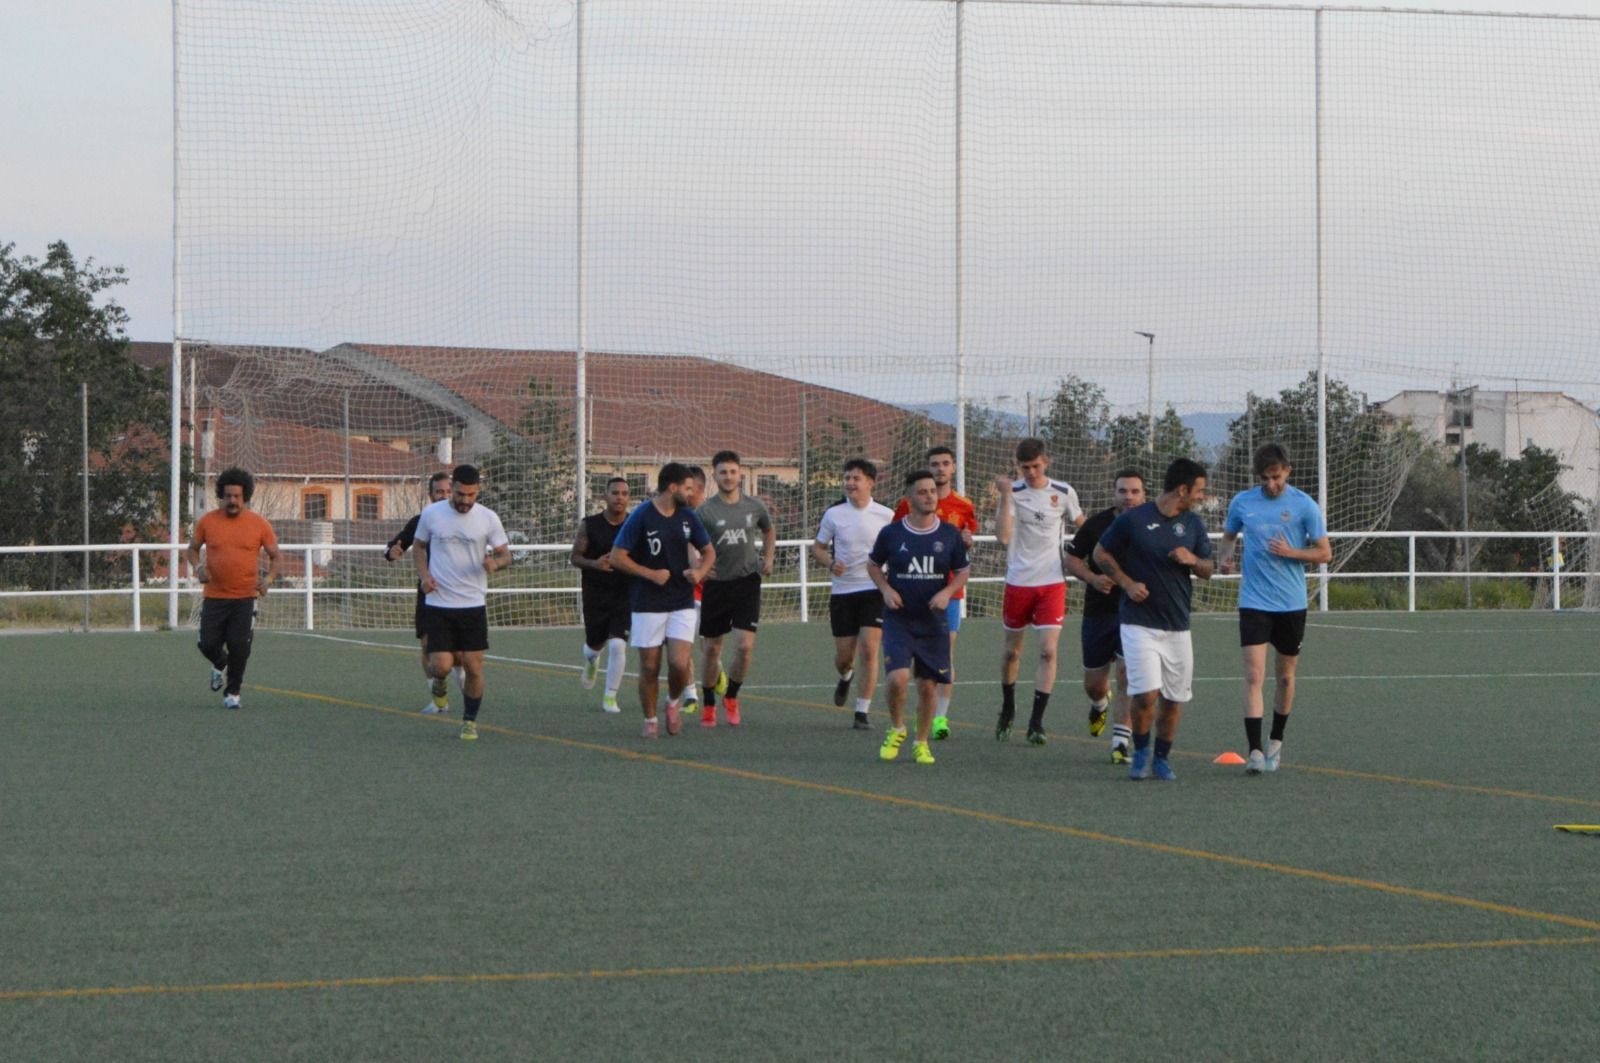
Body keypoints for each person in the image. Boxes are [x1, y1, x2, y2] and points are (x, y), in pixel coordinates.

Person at [1093, 458, 1214, 781]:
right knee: (1145, 695)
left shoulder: (1193, 524)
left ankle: (1162, 758)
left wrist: (1192, 560)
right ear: (1182, 489)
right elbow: (1100, 555)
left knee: (1174, 700)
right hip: (1138, 623)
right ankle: (1141, 753)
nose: (1201, 497)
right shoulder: (1134, 519)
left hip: (1177, 626)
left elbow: (1208, 569)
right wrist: (1126, 583)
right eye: (1199, 491)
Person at [1217, 443, 1332, 775]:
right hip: (1254, 602)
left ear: (1288, 472)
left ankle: (1276, 742)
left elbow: (1325, 553)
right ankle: (1253, 751)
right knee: (1254, 676)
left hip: (1291, 604)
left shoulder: (1304, 505)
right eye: (1266, 479)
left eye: (1277, 477)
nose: (1271, 485)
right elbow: (1228, 536)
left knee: (1285, 677)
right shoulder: (1243, 502)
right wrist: (1225, 557)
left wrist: (1291, 552)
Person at [868, 470, 971, 765]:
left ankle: (921, 742)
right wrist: (885, 589)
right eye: (922, 491)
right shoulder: (892, 533)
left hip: (933, 621)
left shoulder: (949, 534)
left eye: (932, 491)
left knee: (927, 686)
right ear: (909, 498)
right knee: (898, 679)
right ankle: (897, 727)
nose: (929, 495)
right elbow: (873, 565)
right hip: (899, 619)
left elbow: (963, 571)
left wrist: (948, 591)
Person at [609, 462, 715, 738]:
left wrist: (700, 572)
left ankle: (672, 702)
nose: (692, 494)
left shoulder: (688, 517)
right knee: (650, 666)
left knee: (680, 664)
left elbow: (709, 551)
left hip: (681, 600)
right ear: (672, 487)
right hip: (647, 603)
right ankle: (650, 719)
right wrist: (650, 574)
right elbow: (616, 557)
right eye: (688, 488)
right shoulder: (642, 516)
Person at [993, 438, 1083, 745]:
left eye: (1036, 465)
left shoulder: (1063, 492)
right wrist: (1006, 496)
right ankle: (1007, 707)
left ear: (1047, 462)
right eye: (1025, 467)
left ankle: (1036, 721)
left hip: (1052, 582)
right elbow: (1004, 537)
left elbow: (1082, 524)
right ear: (1017, 465)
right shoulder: (1013, 493)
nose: (1031, 472)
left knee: (1048, 651)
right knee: (1011, 651)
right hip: (1018, 581)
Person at [413, 464, 513, 741]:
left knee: (473, 665)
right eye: (460, 494)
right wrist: (424, 576)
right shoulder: (432, 514)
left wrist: (496, 562)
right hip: (439, 603)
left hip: (472, 603)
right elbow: (419, 547)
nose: (465, 501)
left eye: (471, 495)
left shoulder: (488, 518)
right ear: (452, 489)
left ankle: (469, 721)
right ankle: (440, 684)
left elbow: (506, 555)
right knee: (440, 666)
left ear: (477, 492)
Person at [891, 445, 978, 740]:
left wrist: (968, 541)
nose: (940, 469)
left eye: (945, 464)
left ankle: (939, 717)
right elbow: (896, 538)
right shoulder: (909, 504)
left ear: (953, 467)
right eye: (934, 464)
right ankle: (915, 715)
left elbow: (966, 543)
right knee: (911, 660)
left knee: (945, 653)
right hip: (912, 594)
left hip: (948, 592)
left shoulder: (964, 505)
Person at [1064, 468, 1146, 764]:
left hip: (1136, 614)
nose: (1129, 497)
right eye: (1123, 491)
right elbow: (1071, 558)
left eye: (1135, 491)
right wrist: (1091, 578)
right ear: (1114, 494)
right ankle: (1099, 704)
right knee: (1095, 684)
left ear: (1144, 494)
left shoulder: (1151, 524)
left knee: (1127, 676)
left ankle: (1120, 743)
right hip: (1099, 613)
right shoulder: (1097, 525)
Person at [187, 467, 280, 710]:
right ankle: (219, 662)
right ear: (221, 496)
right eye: (228, 496)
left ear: (245, 496)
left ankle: (233, 693)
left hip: (245, 597)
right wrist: (198, 569)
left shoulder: (259, 524)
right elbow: (192, 549)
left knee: (240, 646)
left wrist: (268, 580)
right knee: (207, 644)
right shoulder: (207, 522)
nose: (232, 501)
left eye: (237, 496)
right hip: (214, 596)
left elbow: (276, 557)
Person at [812, 459, 895, 729]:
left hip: (873, 589)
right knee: (844, 657)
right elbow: (819, 548)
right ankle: (846, 676)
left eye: (856, 478)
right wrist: (830, 563)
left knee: (870, 650)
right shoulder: (834, 514)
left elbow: (897, 549)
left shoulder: (886, 515)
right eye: (847, 477)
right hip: (843, 592)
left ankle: (861, 713)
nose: (850, 482)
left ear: (870, 482)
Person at [696, 450, 775, 728]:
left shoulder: (754, 507)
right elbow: (689, 540)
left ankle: (731, 696)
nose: (728, 477)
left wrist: (768, 557)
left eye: (732, 472)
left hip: (747, 582)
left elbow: (768, 529)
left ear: (740, 474)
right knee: (711, 649)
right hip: (717, 585)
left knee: (744, 647)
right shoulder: (705, 511)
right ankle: (708, 703)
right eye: (722, 472)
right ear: (714, 476)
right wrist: (698, 567)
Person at [385, 471, 454, 714]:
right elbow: (398, 543)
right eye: (439, 492)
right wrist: (392, 552)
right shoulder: (422, 520)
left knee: (461, 654)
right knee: (427, 645)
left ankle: (467, 690)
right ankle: (437, 700)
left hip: (460, 593)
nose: (444, 496)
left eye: (448, 491)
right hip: (428, 591)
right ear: (431, 494)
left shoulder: (468, 520)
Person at [571, 476, 633, 714]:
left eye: (624, 493)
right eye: (615, 493)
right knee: (594, 645)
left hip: (624, 593)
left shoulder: (634, 525)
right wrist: (595, 564)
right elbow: (575, 557)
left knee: (618, 645)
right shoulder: (590, 525)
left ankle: (610, 696)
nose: (620, 497)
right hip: (596, 593)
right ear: (605, 497)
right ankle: (591, 660)